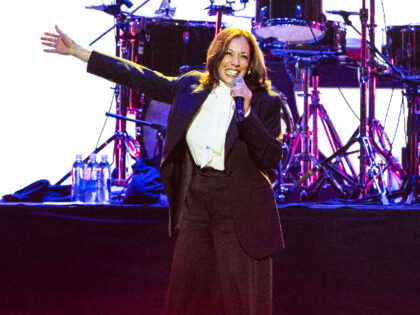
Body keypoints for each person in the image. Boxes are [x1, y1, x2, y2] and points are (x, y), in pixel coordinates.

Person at [41, 25, 285, 315]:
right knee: (185, 296)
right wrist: (81, 53)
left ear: (251, 62)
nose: (235, 62)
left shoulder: (264, 101)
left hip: (240, 204)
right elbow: (140, 77)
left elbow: (270, 157)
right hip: (197, 199)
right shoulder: (190, 86)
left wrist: (246, 110)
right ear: (216, 55)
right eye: (229, 54)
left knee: (245, 300)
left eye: (243, 57)